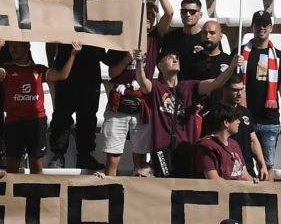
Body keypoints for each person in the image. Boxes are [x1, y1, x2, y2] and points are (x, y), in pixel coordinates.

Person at [149, 46, 235, 178]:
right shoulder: (155, 87)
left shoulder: (190, 86)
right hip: (162, 150)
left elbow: (217, 83)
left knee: (184, 187)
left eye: (176, 56)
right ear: (160, 66)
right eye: (170, 56)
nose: (175, 58)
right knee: (163, 187)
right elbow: (142, 82)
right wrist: (138, 64)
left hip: (186, 148)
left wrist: (232, 66)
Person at [0, 40, 73, 174]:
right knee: (12, 166)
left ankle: (36, 194)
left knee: (36, 166)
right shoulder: (8, 69)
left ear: (27, 46)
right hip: (14, 122)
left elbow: (62, 75)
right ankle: (13, 194)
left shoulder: (39, 69)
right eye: (10, 46)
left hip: (36, 121)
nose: (13, 49)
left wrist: (73, 54)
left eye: (17, 45)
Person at [239, 11, 281, 173]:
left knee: (268, 165)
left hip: (269, 119)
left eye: (265, 25)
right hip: (244, 116)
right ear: (252, 27)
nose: (261, 28)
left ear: (270, 28)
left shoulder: (279, 56)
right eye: (258, 25)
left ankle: (267, 198)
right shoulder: (240, 53)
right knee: (244, 162)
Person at [45, 41, 107, 171]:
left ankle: (85, 155)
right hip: (66, 66)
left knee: (88, 115)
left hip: (91, 68)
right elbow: (50, 40)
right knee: (62, 113)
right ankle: (58, 155)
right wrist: (52, 65)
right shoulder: (61, 20)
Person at [97, 73, 150, 178]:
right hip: (117, 105)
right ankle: (111, 190)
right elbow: (111, 71)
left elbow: (150, 73)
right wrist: (128, 58)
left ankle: (139, 191)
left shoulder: (150, 57)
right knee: (113, 156)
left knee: (140, 157)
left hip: (142, 106)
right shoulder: (120, 55)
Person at [194, 107, 249, 180]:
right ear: (226, 123)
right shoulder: (206, 147)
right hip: (222, 190)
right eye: (236, 119)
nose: (239, 122)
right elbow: (213, 179)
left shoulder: (234, 144)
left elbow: (244, 175)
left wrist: (256, 185)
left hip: (240, 189)